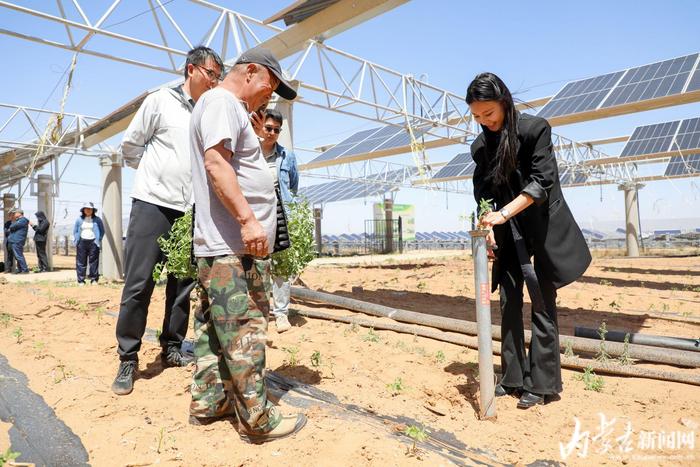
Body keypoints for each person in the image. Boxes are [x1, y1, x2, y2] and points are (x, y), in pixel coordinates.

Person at [188, 47, 306, 441]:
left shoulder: (227, 107)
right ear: (250, 71)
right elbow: (217, 164)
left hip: (221, 244)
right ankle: (257, 420)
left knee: (213, 330)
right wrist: (249, 220)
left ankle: (210, 401)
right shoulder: (222, 101)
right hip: (232, 245)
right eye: (269, 86)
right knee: (244, 332)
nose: (269, 97)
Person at [467, 72, 591, 409]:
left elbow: (541, 182)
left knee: (542, 300)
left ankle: (542, 381)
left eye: (489, 113)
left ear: (504, 103)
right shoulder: (480, 146)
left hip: (542, 226)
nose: (484, 122)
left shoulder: (535, 129)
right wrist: (489, 225)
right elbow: (483, 193)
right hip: (508, 234)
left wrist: (504, 213)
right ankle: (511, 376)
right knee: (508, 300)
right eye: (477, 116)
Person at [111, 46, 224, 396]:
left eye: (219, 77)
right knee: (139, 282)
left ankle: (172, 347)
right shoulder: (160, 100)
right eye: (211, 74)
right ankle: (128, 358)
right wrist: (151, 177)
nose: (215, 81)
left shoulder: (209, 110)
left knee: (182, 284)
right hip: (153, 204)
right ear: (191, 70)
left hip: (191, 209)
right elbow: (131, 145)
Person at [260, 108, 299, 333]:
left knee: (280, 265)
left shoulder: (287, 156)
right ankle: (260, 312)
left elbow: (293, 186)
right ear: (260, 127)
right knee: (256, 265)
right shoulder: (249, 152)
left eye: (276, 130)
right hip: (255, 213)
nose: (272, 133)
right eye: (268, 128)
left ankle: (281, 313)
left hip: (279, 211)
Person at [72, 202, 104, 284]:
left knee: (93, 262)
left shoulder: (97, 220)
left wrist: (98, 239)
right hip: (82, 242)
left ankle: (94, 279)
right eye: (86, 209)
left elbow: (102, 231)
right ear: (83, 210)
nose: (88, 210)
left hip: (93, 242)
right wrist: (76, 239)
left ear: (93, 210)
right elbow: (75, 231)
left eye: (90, 209)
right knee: (81, 262)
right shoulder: (79, 220)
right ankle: (81, 280)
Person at [7, 209, 29, 274]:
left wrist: (11, 227)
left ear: (19, 213)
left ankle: (25, 269)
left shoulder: (23, 220)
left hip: (18, 240)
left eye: (15, 213)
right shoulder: (18, 220)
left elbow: (12, 226)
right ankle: (20, 269)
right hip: (15, 240)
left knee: (19, 255)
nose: (14, 214)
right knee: (17, 256)